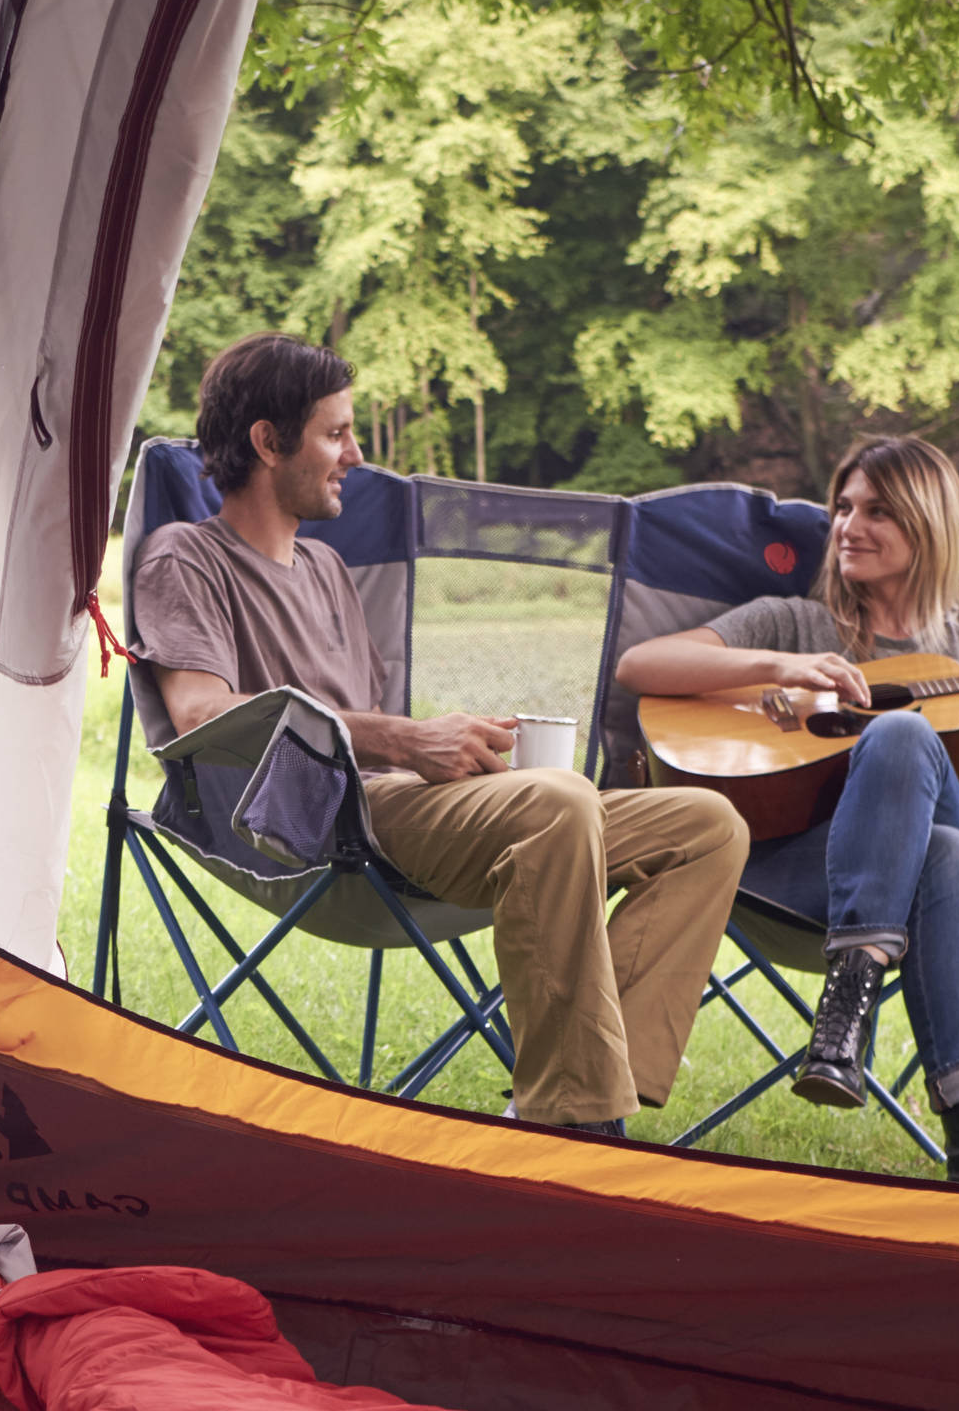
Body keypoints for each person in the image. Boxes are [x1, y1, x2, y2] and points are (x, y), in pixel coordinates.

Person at [129, 333, 749, 1137]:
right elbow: (201, 716)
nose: (354, 454)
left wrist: (460, 752)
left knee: (705, 826)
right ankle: (578, 1126)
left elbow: (382, 737)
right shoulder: (185, 558)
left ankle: (579, 1089)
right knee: (557, 805)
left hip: (396, 805)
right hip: (320, 827)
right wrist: (402, 740)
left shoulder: (323, 569)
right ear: (267, 441)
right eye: (335, 433)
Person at [613, 434, 959, 1190]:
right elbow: (640, 666)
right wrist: (779, 667)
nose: (847, 525)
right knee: (951, 854)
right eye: (843, 506)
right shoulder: (792, 623)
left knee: (913, 750)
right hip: (789, 877)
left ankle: (849, 1002)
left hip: (882, 902)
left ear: (928, 523)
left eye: (877, 510)